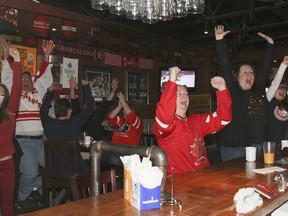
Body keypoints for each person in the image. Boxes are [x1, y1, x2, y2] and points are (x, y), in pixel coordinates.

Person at [1, 37, 55, 213]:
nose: (25, 81)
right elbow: (10, 77)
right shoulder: (13, 97)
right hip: (23, 143)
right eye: (22, 79)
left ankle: (31, 188)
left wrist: (47, 56)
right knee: (31, 172)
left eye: (28, 79)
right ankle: (21, 199)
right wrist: (6, 54)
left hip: (40, 142)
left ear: (32, 81)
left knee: (55, 168)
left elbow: (45, 79)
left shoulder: (37, 92)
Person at [153, 66, 232, 175]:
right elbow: (164, 116)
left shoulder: (196, 121)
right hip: (182, 185)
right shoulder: (166, 125)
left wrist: (222, 89)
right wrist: (171, 80)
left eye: (186, 93)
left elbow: (224, 119)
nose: (184, 96)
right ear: (170, 97)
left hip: (205, 179)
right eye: (178, 93)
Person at [215, 25, 275, 161]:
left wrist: (270, 45)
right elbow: (225, 67)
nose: (250, 75)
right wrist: (219, 40)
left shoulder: (257, 91)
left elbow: (265, 69)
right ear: (237, 77)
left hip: (256, 146)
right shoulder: (232, 91)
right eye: (245, 72)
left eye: (252, 72)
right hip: (235, 148)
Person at [0, 47, 21, 216]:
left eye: (1, 93)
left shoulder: (10, 111)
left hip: (6, 166)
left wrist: (18, 61)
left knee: (7, 208)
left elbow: (17, 88)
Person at [71, 77, 119, 141]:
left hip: (96, 144)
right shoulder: (80, 114)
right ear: (84, 105)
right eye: (87, 103)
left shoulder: (98, 114)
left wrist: (113, 91)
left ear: (95, 106)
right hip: (81, 144)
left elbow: (107, 103)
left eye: (91, 104)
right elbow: (74, 101)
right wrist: (72, 88)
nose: (89, 105)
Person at [265, 56, 288, 145]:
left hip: (284, 144)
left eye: (285, 88)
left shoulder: (286, 105)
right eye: (280, 87)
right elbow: (274, 84)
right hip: (270, 144)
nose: (282, 90)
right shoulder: (269, 101)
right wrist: (283, 65)